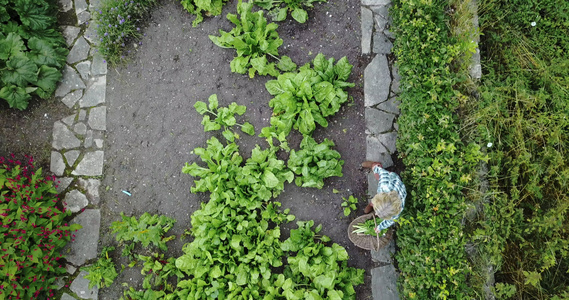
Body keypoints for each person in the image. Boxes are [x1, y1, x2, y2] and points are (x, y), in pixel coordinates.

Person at [361, 161, 406, 234]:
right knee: (377, 172)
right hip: (392, 178)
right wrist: (376, 168)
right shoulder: (384, 185)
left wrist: (380, 227)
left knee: (373, 204)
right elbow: (383, 173)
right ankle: (374, 164)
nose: (375, 214)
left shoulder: (397, 211)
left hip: (397, 186)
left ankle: (371, 205)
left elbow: (389, 221)